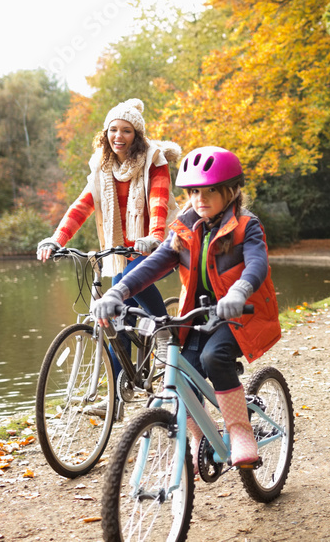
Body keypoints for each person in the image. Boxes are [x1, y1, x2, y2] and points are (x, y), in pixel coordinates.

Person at [92, 146, 280, 470]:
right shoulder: (185, 227)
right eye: (193, 191)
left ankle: (239, 431)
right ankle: (198, 437)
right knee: (178, 374)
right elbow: (154, 264)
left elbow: (257, 264)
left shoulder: (246, 226)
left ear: (231, 192)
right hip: (198, 316)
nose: (199, 199)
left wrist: (240, 291)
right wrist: (119, 291)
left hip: (239, 314)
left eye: (209, 191)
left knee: (213, 357)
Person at [36, 98, 182, 390]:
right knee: (115, 318)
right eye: (113, 129)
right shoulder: (102, 168)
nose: (118, 136)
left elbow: (158, 201)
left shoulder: (154, 162)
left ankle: (165, 331)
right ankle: (117, 391)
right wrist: (57, 239)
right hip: (122, 252)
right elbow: (82, 206)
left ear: (137, 136)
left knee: (124, 282)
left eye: (126, 131)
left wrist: (154, 237)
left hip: (164, 244)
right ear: (105, 134)